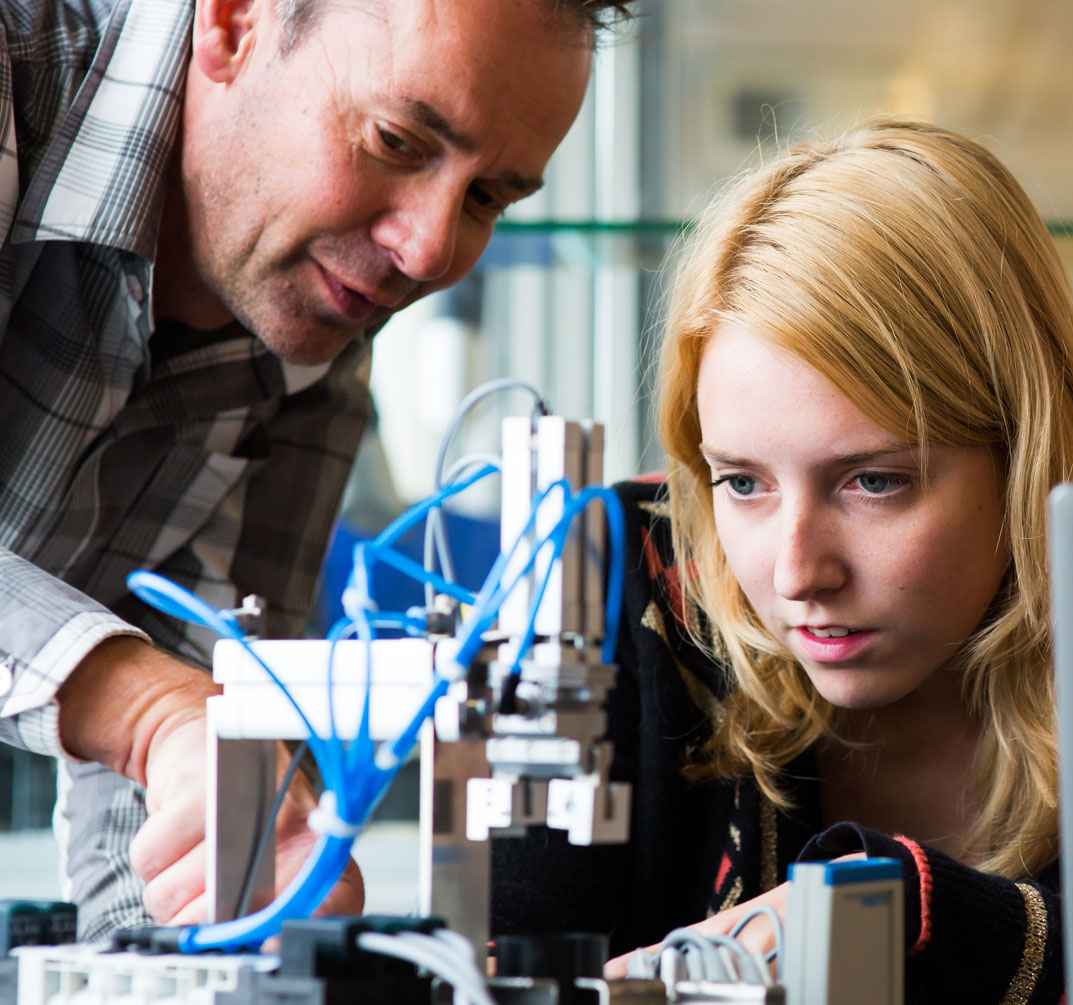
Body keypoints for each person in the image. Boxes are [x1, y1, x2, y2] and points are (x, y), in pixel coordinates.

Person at [0, 0, 629, 937]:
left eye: (489, 197)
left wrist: (236, 924)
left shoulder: (309, 337)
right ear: (232, 24)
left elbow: (190, 795)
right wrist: (150, 710)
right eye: (397, 139)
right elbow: (179, 714)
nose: (429, 249)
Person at [491, 119, 1073, 1002]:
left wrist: (901, 906)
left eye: (874, 482)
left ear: (1024, 452)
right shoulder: (619, 580)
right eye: (741, 483)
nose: (797, 573)